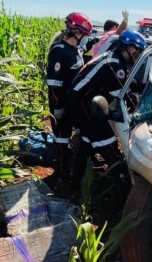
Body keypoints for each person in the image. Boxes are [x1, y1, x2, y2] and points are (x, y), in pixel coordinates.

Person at [67, 29, 147, 184]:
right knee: (106, 141)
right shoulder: (115, 65)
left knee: (87, 140)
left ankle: (76, 180)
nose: (137, 57)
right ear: (131, 49)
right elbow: (126, 97)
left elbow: (129, 85)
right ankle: (122, 180)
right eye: (137, 53)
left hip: (81, 100)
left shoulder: (115, 59)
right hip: (84, 103)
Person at [46, 12, 93, 179]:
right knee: (61, 137)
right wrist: (58, 106)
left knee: (76, 134)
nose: (86, 38)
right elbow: (53, 83)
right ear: (77, 33)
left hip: (73, 102)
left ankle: (72, 164)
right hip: (62, 103)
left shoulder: (76, 50)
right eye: (85, 35)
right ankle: (61, 169)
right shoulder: (59, 52)